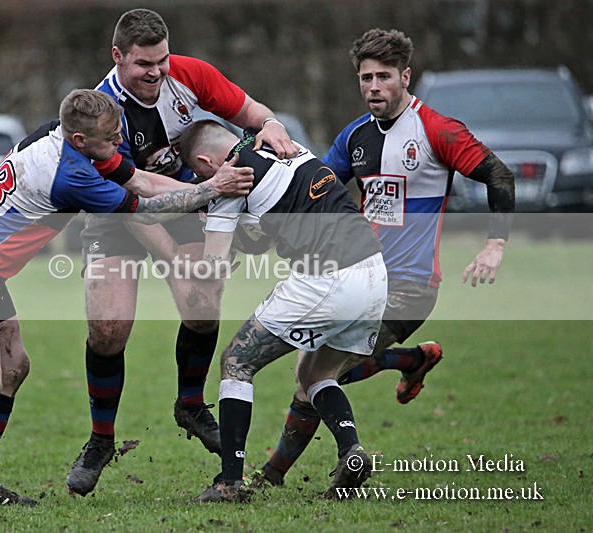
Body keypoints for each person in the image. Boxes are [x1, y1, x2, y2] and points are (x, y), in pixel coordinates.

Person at [0, 88, 253, 509]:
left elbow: (141, 179)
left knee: (13, 369)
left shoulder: (62, 136)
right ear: (82, 140)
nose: (119, 143)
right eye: (111, 138)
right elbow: (147, 207)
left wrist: (209, 188)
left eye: (118, 133)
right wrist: (211, 190)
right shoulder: (70, 176)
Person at [252, 28, 516, 489]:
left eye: (384, 77)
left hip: (411, 287)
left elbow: (499, 175)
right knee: (314, 374)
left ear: (405, 77)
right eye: (366, 78)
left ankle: (289, 471)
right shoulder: (355, 136)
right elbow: (318, 190)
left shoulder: (437, 130)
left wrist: (495, 244)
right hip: (358, 280)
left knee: (315, 374)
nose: (374, 86)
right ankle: (411, 361)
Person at [67, 8, 298, 496]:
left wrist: (272, 123)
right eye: (143, 64)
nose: (156, 72)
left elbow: (250, 110)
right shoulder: (105, 111)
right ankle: (101, 439)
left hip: (188, 200)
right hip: (119, 213)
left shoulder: (190, 75)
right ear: (117, 56)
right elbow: (132, 199)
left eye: (161, 61)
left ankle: (191, 404)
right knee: (108, 329)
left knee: (202, 303)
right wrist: (174, 255)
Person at [178, 119, 388, 502]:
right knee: (316, 375)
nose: (207, 182)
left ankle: (229, 483)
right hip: (373, 274)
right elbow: (269, 223)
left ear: (207, 162)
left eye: (200, 173)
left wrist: (181, 261)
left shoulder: (230, 182)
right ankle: (351, 451)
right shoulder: (284, 145)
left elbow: (213, 266)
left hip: (327, 276)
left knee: (236, 362)